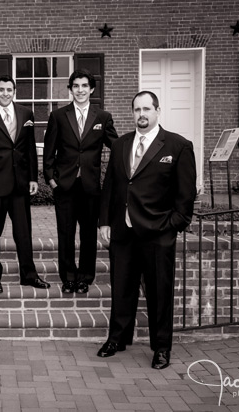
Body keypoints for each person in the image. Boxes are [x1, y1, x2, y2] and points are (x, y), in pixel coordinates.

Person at [97, 91, 196, 369]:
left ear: (157, 111)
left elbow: (185, 196)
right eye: (137, 109)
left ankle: (161, 348)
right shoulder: (120, 145)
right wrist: (105, 221)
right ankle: (117, 338)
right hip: (123, 232)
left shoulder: (178, 146)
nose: (142, 114)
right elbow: (111, 186)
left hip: (158, 233)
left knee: (159, 294)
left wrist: (172, 225)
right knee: (122, 289)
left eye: (147, 109)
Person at [0, 75, 49, 293]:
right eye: (2, 89)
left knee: (24, 232)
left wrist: (33, 177)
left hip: (20, 184)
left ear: (14, 91)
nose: (6, 93)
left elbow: (30, 148)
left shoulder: (26, 113)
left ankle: (29, 275)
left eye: (9, 89)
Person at [43, 69, 118, 294]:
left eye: (84, 86)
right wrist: (51, 179)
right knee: (65, 233)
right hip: (65, 185)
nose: (80, 90)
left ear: (91, 89)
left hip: (90, 186)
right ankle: (68, 277)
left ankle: (85, 276)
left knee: (88, 234)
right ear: (70, 89)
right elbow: (49, 152)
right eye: (76, 86)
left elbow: (117, 147)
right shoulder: (58, 116)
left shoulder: (102, 118)